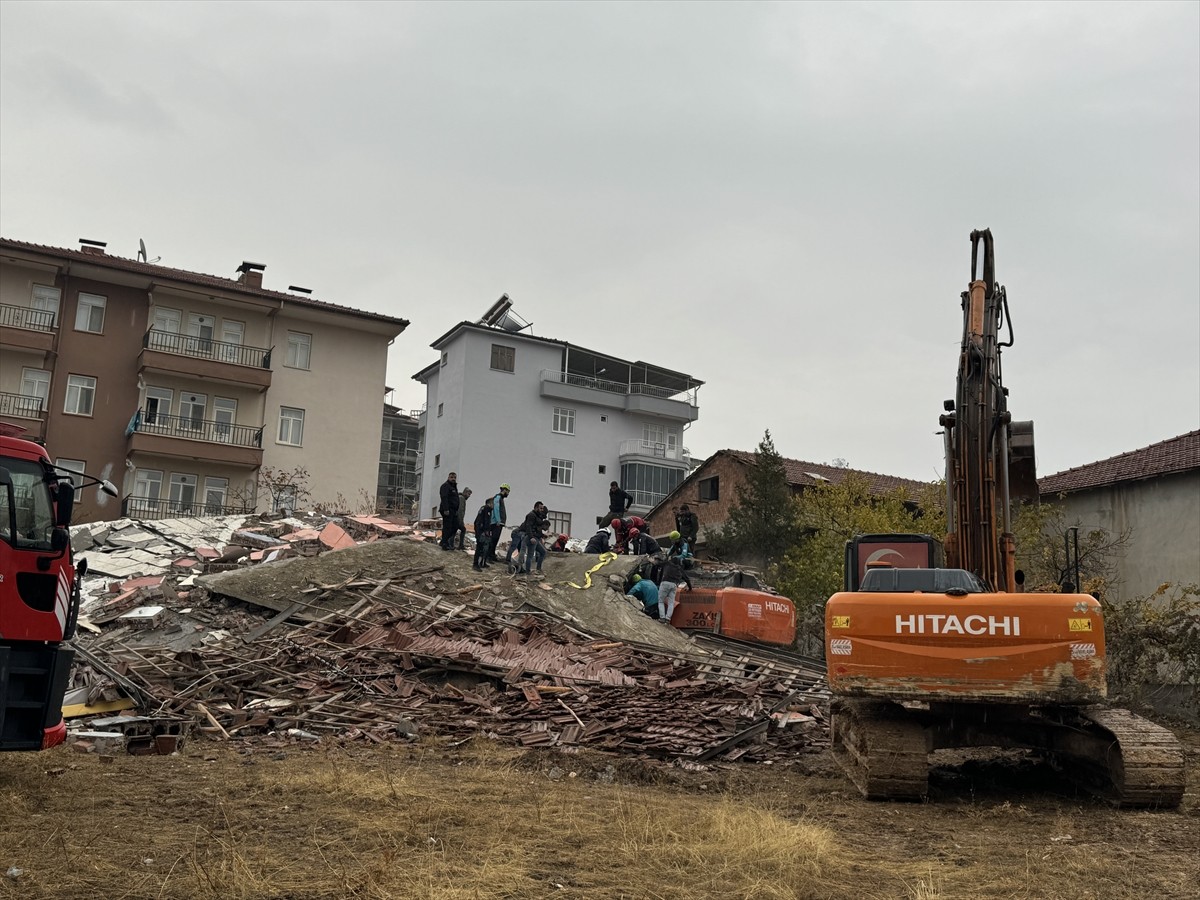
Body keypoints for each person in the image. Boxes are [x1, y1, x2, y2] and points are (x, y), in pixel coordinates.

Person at [658, 553, 693, 625]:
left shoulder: (667, 564)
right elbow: (687, 579)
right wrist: (690, 588)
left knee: (661, 601)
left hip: (665, 583)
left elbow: (658, 564)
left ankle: (662, 618)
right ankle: (668, 619)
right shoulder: (679, 568)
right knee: (671, 603)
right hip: (674, 585)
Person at [519, 501, 550, 578]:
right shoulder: (531, 515)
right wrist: (531, 537)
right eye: (540, 508)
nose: (542, 510)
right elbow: (528, 527)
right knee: (530, 555)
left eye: (542, 508)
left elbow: (537, 528)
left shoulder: (538, 516)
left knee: (543, 552)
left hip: (535, 537)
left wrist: (542, 535)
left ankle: (538, 569)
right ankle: (527, 572)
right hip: (532, 538)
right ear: (536, 507)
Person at [438, 472, 459, 551]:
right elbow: (444, 497)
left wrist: (456, 510)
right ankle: (444, 543)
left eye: (454, 477)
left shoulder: (454, 487)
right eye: (451, 477)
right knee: (447, 526)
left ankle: (444, 541)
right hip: (447, 510)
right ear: (448, 477)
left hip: (453, 510)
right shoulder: (445, 486)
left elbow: (455, 499)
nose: (453, 479)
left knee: (455, 526)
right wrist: (446, 509)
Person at [489, 483, 510, 562]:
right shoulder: (498, 498)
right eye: (507, 491)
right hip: (496, 523)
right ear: (504, 490)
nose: (508, 494)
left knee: (495, 540)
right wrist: (498, 520)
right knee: (493, 539)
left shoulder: (500, 499)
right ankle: (489, 556)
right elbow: (496, 509)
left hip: (499, 523)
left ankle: (492, 555)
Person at [472, 497, 494, 570]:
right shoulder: (486, 509)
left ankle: (482, 563)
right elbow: (485, 522)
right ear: (489, 503)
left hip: (481, 530)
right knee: (480, 548)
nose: (494, 505)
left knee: (485, 547)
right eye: (493, 503)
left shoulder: (486, 509)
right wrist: (485, 531)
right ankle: (476, 564)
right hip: (481, 531)